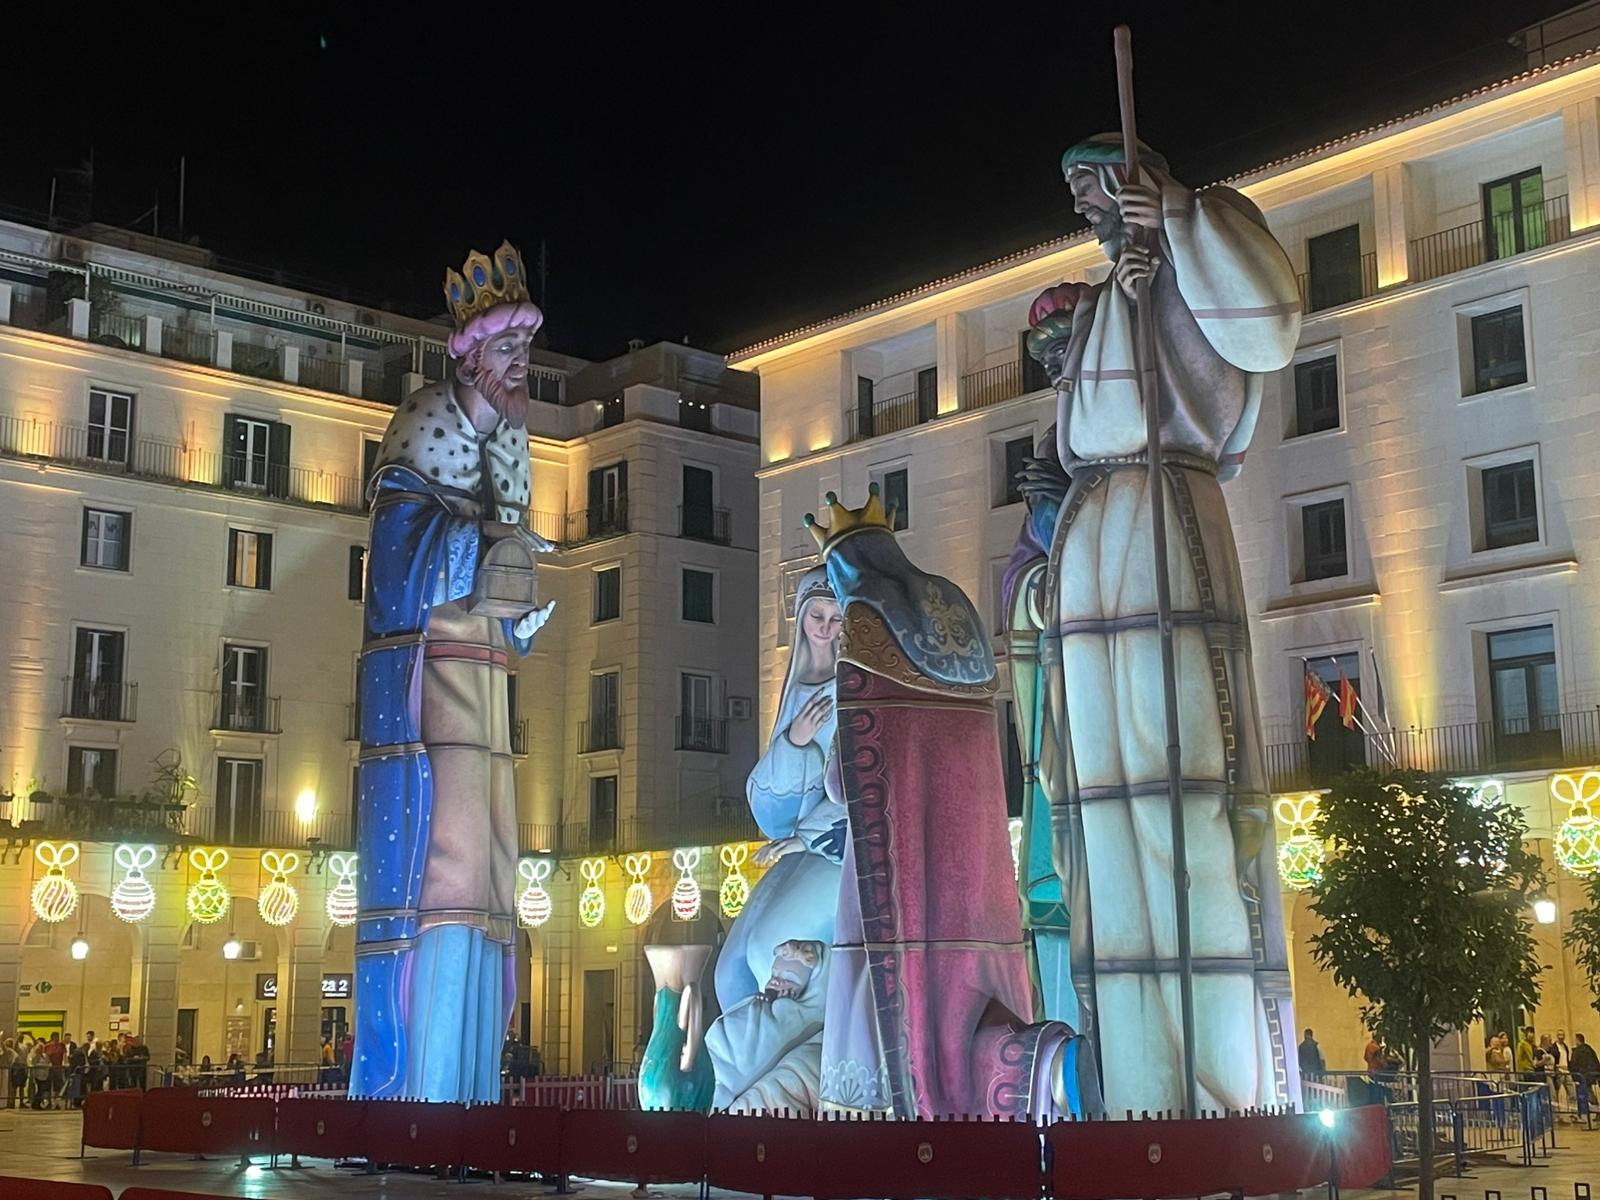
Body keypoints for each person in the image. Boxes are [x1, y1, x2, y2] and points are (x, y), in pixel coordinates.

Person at [1019, 131, 1302, 1114]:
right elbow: (1082, 420)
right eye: (1078, 194)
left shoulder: (1208, 224)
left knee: (1189, 806)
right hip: (1095, 549)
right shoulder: (1109, 297)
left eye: (1096, 186)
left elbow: (1267, 331)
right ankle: (1139, 1089)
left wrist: (1178, 218)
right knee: (1106, 825)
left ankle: (1224, 1096)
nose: (1085, 208)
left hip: (1162, 529)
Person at [353, 241, 556, 1105]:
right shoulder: (421, 426)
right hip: (423, 688)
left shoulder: (513, 447)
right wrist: (480, 551)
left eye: (525, 352)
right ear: (471, 354)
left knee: (486, 871)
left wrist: (521, 615)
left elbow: (502, 573)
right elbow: (396, 565)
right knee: (440, 868)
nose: (522, 367)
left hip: (480, 683)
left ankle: (470, 1084)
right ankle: (418, 1087)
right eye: (509, 351)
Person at [705, 568, 846, 1114]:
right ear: (801, 618)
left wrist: (809, 837)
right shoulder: (796, 694)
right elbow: (768, 806)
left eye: (836, 620)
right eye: (817, 617)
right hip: (797, 845)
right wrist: (795, 740)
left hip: (836, 846)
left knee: (771, 957)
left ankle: (770, 1098)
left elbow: (860, 780)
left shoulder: (856, 688)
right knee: (727, 973)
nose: (825, 629)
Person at [1570, 1033, 1599, 1118]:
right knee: (1589, 1093)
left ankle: (1595, 1111)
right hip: (1589, 1075)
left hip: (1583, 1076)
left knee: (1588, 1094)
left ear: (1578, 1040)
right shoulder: (1589, 1049)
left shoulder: (1578, 1051)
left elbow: (1575, 1064)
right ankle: (1596, 1111)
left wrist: (1575, 1075)